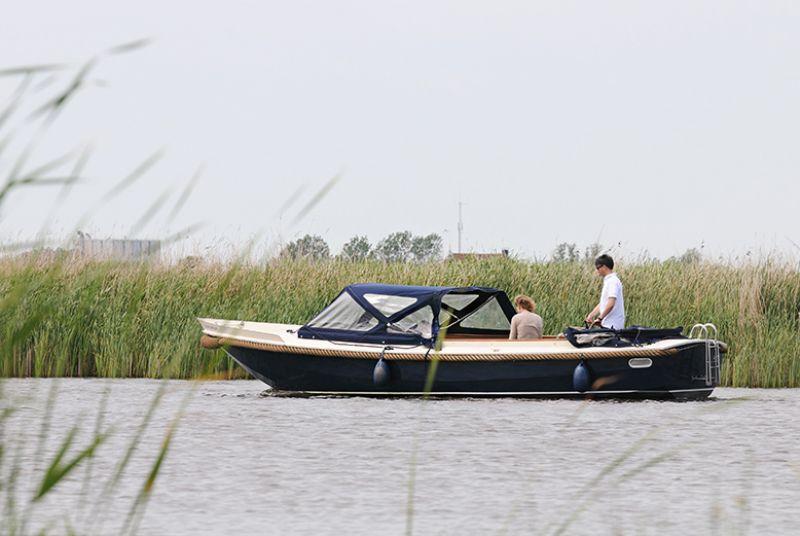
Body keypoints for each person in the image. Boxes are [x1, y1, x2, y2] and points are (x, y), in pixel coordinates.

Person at [584, 254, 625, 329]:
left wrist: (600, 318)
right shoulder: (608, 281)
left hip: (612, 325)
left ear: (604, 267)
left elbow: (611, 303)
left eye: (598, 268)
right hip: (607, 324)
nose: (597, 270)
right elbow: (603, 303)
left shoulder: (613, 281)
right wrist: (591, 315)